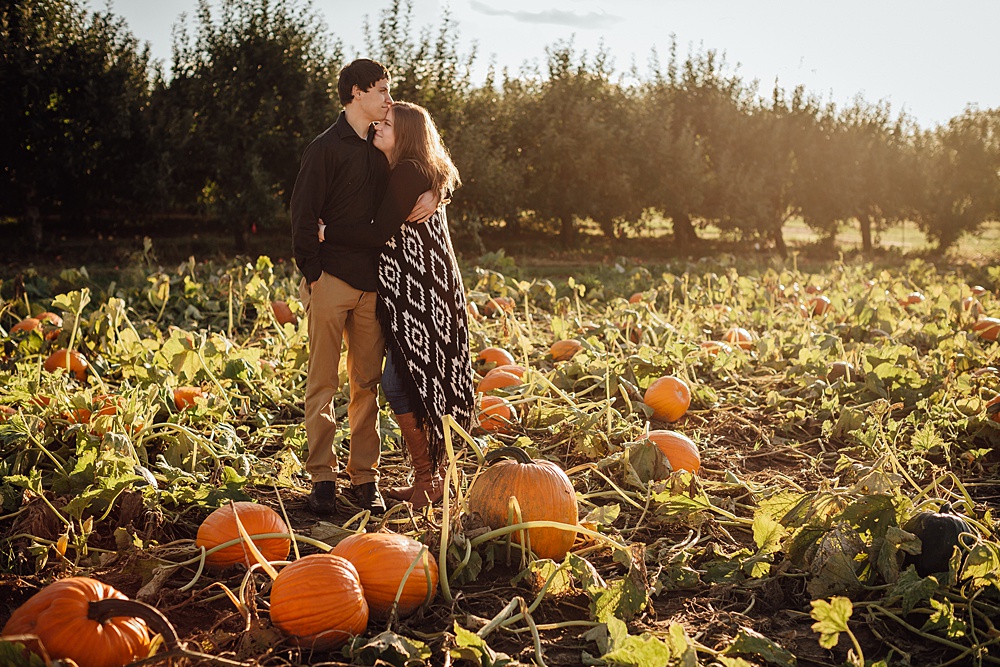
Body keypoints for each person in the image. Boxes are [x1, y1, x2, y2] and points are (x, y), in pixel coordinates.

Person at [289, 59, 435, 516]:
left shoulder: (382, 146)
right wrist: (312, 275)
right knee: (322, 382)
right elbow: (301, 215)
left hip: (374, 286)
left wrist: (438, 192)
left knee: (365, 384)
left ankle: (364, 476)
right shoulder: (324, 149)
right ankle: (323, 479)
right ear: (355, 92)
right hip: (331, 278)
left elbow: (426, 165)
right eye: (382, 91)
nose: (389, 99)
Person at [318, 101, 477, 509]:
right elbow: (443, 171)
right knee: (411, 381)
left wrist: (326, 232)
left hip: (426, 294)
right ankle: (433, 477)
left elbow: (376, 233)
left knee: (398, 380)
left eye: (387, 124)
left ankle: (430, 476)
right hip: (413, 293)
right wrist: (440, 187)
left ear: (405, 134)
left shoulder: (408, 172)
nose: (378, 126)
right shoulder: (399, 168)